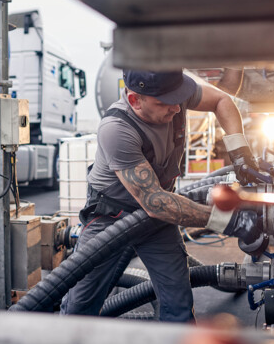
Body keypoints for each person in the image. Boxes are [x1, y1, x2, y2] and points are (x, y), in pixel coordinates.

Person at [60, 69, 261, 322]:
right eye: (166, 102)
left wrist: (240, 153)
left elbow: (222, 99)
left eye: (179, 98)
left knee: (178, 304)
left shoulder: (175, 97)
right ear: (135, 100)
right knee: (80, 307)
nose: (177, 108)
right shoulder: (117, 129)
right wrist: (230, 221)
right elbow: (156, 203)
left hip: (157, 219)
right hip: (110, 218)